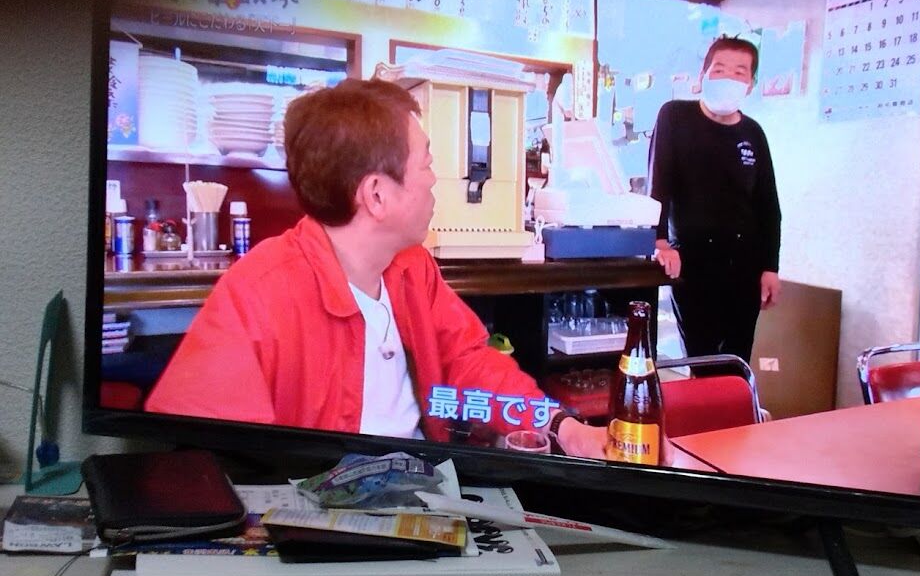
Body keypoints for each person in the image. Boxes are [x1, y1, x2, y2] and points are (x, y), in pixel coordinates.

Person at [147, 78, 606, 458]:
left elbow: (470, 362)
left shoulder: (412, 267)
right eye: (426, 163)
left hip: (427, 490)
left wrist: (562, 427)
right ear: (377, 195)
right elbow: (199, 452)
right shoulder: (258, 292)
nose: (434, 179)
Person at [647, 35, 782, 364]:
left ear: (750, 85)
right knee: (702, 359)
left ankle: (736, 401)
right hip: (693, 262)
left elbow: (768, 206)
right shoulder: (675, 116)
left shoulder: (753, 133)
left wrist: (770, 268)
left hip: (746, 266)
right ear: (703, 76)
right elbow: (658, 184)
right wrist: (660, 242)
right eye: (719, 70)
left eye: (739, 72)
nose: (728, 78)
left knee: (737, 360)